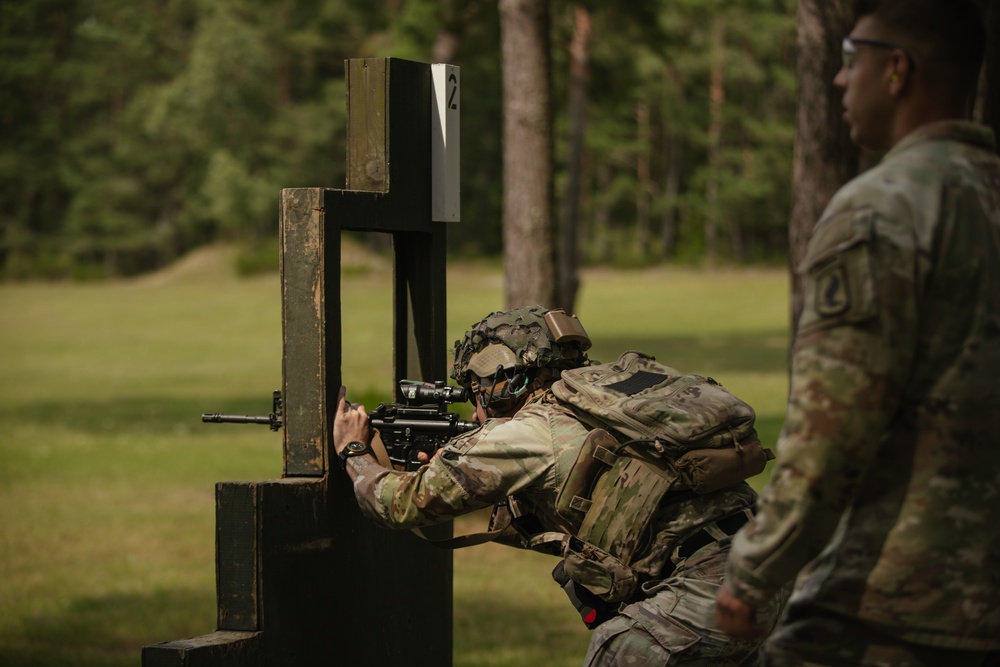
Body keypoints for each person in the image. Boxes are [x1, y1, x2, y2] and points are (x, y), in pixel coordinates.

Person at [714, 0, 1000, 665]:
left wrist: (754, 570)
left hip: (891, 605)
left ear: (896, 69)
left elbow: (831, 431)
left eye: (851, 58)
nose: (839, 80)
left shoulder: (884, 206)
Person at [334, 306, 788, 665]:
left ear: (501, 382)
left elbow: (395, 505)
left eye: (476, 389)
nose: (474, 410)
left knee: (617, 651)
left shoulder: (524, 433)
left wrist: (354, 450)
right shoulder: (605, 398)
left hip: (706, 594)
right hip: (771, 570)